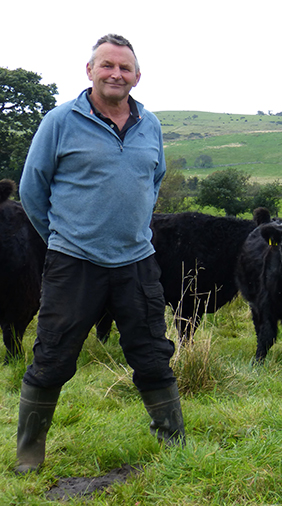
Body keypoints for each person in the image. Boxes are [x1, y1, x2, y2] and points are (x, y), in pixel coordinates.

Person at [15, 34, 184, 475]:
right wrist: (64, 237)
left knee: (152, 355)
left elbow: (153, 180)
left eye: (125, 68)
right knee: (52, 358)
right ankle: (29, 456)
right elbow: (33, 189)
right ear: (89, 71)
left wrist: (132, 230)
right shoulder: (60, 121)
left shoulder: (151, 125)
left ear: (137, 76)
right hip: (74, 264)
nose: (116, 74)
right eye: (107, 65)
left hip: (136, 262)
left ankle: (174, 444)